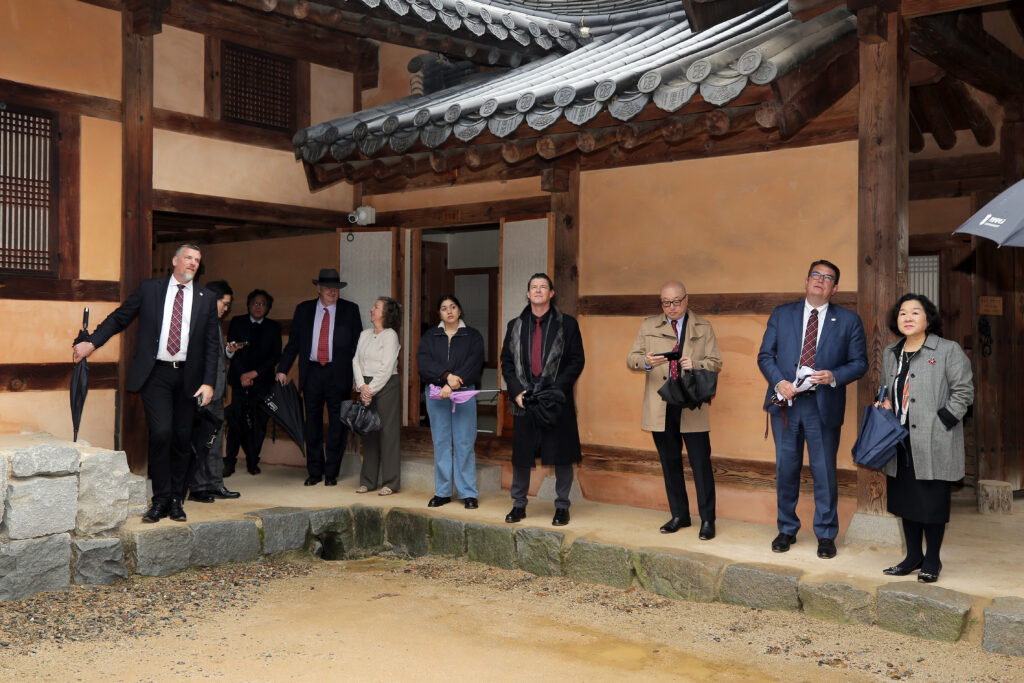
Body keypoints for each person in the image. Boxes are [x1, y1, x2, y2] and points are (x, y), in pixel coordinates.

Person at [72, 243, 220, 523]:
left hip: (189, 377)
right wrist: (91, 343)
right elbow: (120, 317)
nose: (193, 263)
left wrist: (209, 383)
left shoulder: (206, 298)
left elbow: (212, 344)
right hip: (156, 374)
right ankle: (160, 498)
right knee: (161, 433)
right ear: (175, 261)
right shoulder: (150, 289)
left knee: (182, 437)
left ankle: (176, 499)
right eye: (188, 258)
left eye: (197, 260)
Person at [757, 259, 867, 558]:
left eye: (827, 277)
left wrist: (834, 376)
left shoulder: (848, 320)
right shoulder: (782, 314)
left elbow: (860, 363)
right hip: (787, 405)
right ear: (806, 282)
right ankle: (786, 528)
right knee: (786, 469)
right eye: (815, 275)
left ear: (835, 288)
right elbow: (765, 356)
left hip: (823, 405)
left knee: (824, 471)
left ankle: (826, 534)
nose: (820, 280)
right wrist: (779, 382)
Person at [877, 294, 973, 583]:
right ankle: (912, 557)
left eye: (915, 312)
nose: (908, 317)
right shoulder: (891, 352)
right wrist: (884, 403)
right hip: (900, 438)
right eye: (902, 313)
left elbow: (964, 391)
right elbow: (887, 388)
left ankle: (932, 559)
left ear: (928, 319)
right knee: (906, 500)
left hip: (934, 438)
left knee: (932, 501)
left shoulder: (947, 349)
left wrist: (944, 420)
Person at [627, 281, 722, 539]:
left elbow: (716, 362)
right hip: (661, 402)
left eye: (676, 301)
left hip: (691, 402)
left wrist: (697, 363)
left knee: (700, 463)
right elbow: (631, 358)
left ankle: (708, 519)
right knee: (669, 462)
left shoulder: (703, 326)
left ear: (686, 299)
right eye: (666, 303)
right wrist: (645, 361)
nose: (671, 307)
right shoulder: (648, 325)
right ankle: (680, 515)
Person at [500, 273, 585, 527]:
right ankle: (519, 504)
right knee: (522, 455)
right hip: (525, 398)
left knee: (562, 454)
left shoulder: (567, 324)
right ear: (528, 294)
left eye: (543, 287)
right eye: (534, 287)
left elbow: (576, 360)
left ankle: (562, 506)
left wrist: (557, 389)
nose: (538, 290)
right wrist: (517, 392)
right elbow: (506, 362)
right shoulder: (515, 325)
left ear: (551, 293)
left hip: (556, 398)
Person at [276, 268, 362, 486]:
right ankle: (314, 471)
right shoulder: (303, 309)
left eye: (336, 288)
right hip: (312, 372)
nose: (333, 292)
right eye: (328, 288)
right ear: (319, 289)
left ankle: (331, 472)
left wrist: (358, 376)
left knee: (337, 424)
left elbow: (358, 347)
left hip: (338, 373)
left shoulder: (350, 310)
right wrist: (283, 369)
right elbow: (293, 343)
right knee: (312, 423)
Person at [418, 295, 485, 509]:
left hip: (464, 393)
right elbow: (424, 363)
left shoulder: (472, 335)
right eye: (444, 308)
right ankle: (443, 491)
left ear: (459, 310)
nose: (449, 311)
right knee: (441, 442)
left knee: (465, 442)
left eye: (453, 307)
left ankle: (468, 492)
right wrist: (446, 377)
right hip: (437, 394)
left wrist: (454, 382)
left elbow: (474, 363)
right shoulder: (430, 336)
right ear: (439, 313)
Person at [186, 280, 241, 503]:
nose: (226, 309)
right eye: (224, 303)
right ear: (211, 299)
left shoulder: (213, 323)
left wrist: (228, 351)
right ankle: (198, 487)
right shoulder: (195, 322)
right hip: (202, 392)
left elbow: (215, 356)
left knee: (215, 441)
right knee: (199, 442)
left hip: (217, 392)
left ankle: (215, 484)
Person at [224, 289, 282, 476]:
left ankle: (252, 460)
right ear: (248, 305)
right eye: (255, 303)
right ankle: (229, 461)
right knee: (235, 421)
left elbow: (275, 356)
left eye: (263, 304)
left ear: (268, 308)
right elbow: (233, 351)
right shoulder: (237, 322)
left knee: (259, 424)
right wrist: (243, 375)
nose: (258, 307)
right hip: (239, 380)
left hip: (262, 381)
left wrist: (254, 374)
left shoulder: (273, 327)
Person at [353, 297, 403, 495]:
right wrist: (362, 386)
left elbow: (387, 366)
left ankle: (390, 482)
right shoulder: (364, 334)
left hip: (386, 385)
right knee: (368, 432)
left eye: (376, 307)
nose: (371, 309)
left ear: (386, 313)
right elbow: (356, 361)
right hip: (366, 384)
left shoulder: (391, 335)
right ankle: (368, 481)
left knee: (388, 433)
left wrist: (369, 390)